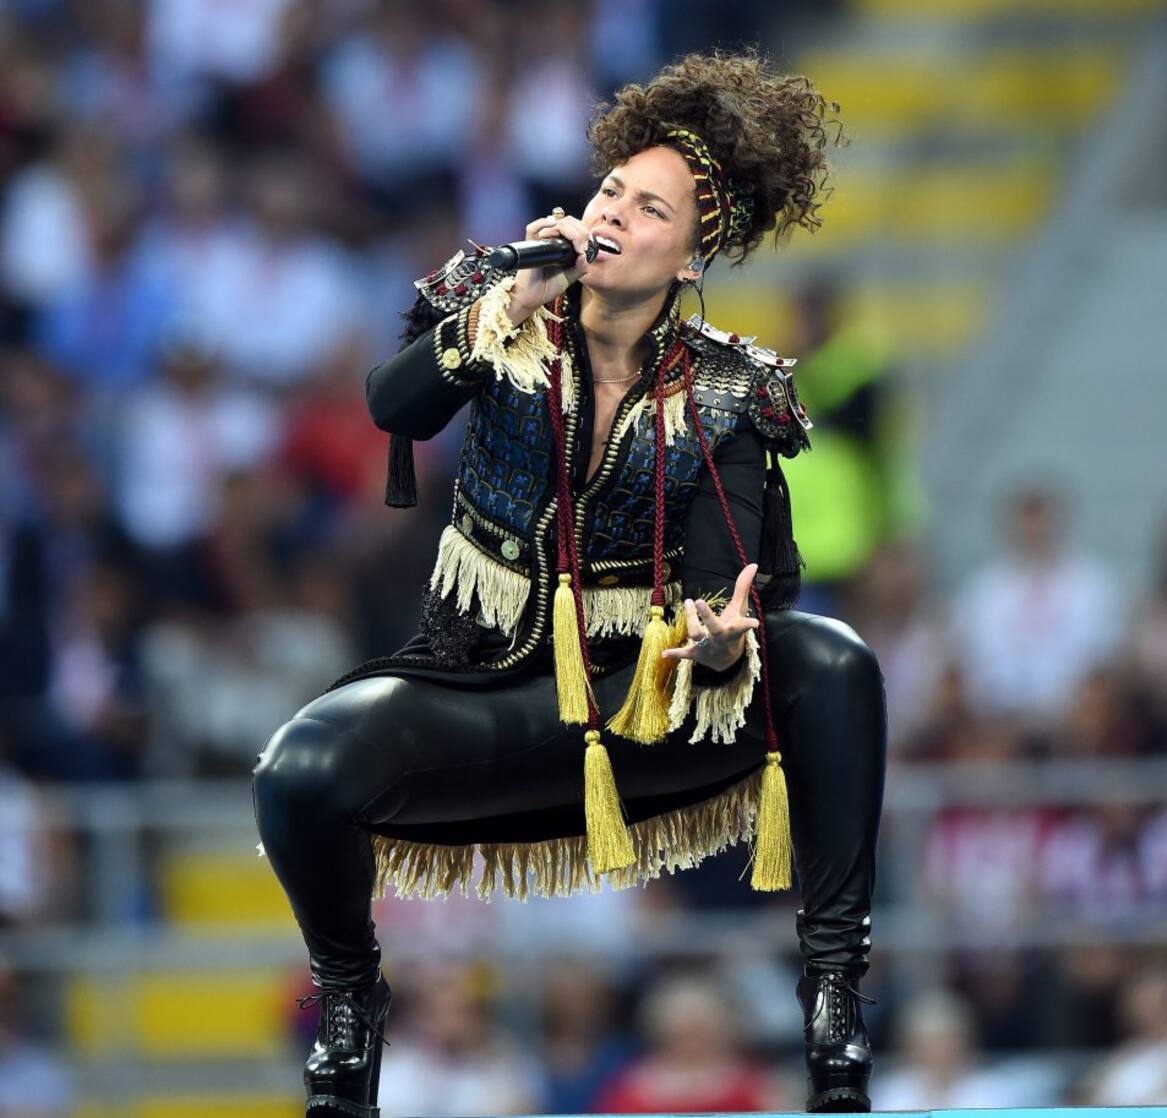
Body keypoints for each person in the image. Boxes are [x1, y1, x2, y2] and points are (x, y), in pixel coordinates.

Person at [251, 49, 887, 1116]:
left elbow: (715, 574)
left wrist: (719, 641)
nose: (613, 216)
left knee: (835, 662)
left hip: (648, 703)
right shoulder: (498, 303)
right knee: (297, 764)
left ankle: (833, 999)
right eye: (608, 193)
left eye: (649, 209)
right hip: (484, 696)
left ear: (691, 258)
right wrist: (505, 291)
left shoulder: (732, 387)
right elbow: (392, 405)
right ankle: (352, 1002)